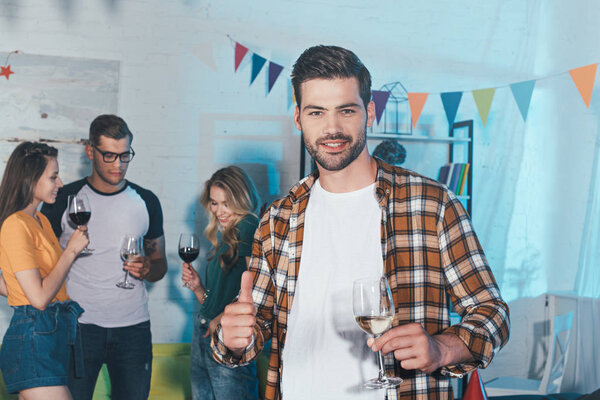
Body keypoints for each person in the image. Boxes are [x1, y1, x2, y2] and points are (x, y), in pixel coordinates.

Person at [212, 45, 510, 400]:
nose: (332, 128)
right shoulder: (278, 218)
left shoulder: (432, 204)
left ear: (369, 112)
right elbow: (254, 328)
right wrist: (231, 338)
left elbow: (492, 314)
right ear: (298, 119)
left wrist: (442, 349)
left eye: (346, 110)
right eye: (317, 112)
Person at [41, 115, 168, 400]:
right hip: (77, 327)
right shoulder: (64, 198)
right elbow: (41, 262)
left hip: (134, 328)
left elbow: (160, 265)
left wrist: (149, 266)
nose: (118, 164)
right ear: (90, 151)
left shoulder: (146, 201)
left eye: (125, 156)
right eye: (109, 155)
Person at [0, 142, 89, 399]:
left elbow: (24, 286)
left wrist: (20, 291)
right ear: (30, 179)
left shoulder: (41, 222)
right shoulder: (15, 225)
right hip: (33, 338)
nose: (60, 183)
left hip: (52, 335)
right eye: (53, 177)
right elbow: (39, 299)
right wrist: (71, 251)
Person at [182, 166, 260, 400]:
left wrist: (222, 319)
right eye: (214, 203)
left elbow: (257, 288)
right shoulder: (227, 235)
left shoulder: (247, 226)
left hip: (228, 335)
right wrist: (198, 288)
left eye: (226, 203)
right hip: (206, 328)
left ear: (241, 199)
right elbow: (214, 301)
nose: (219, 210)